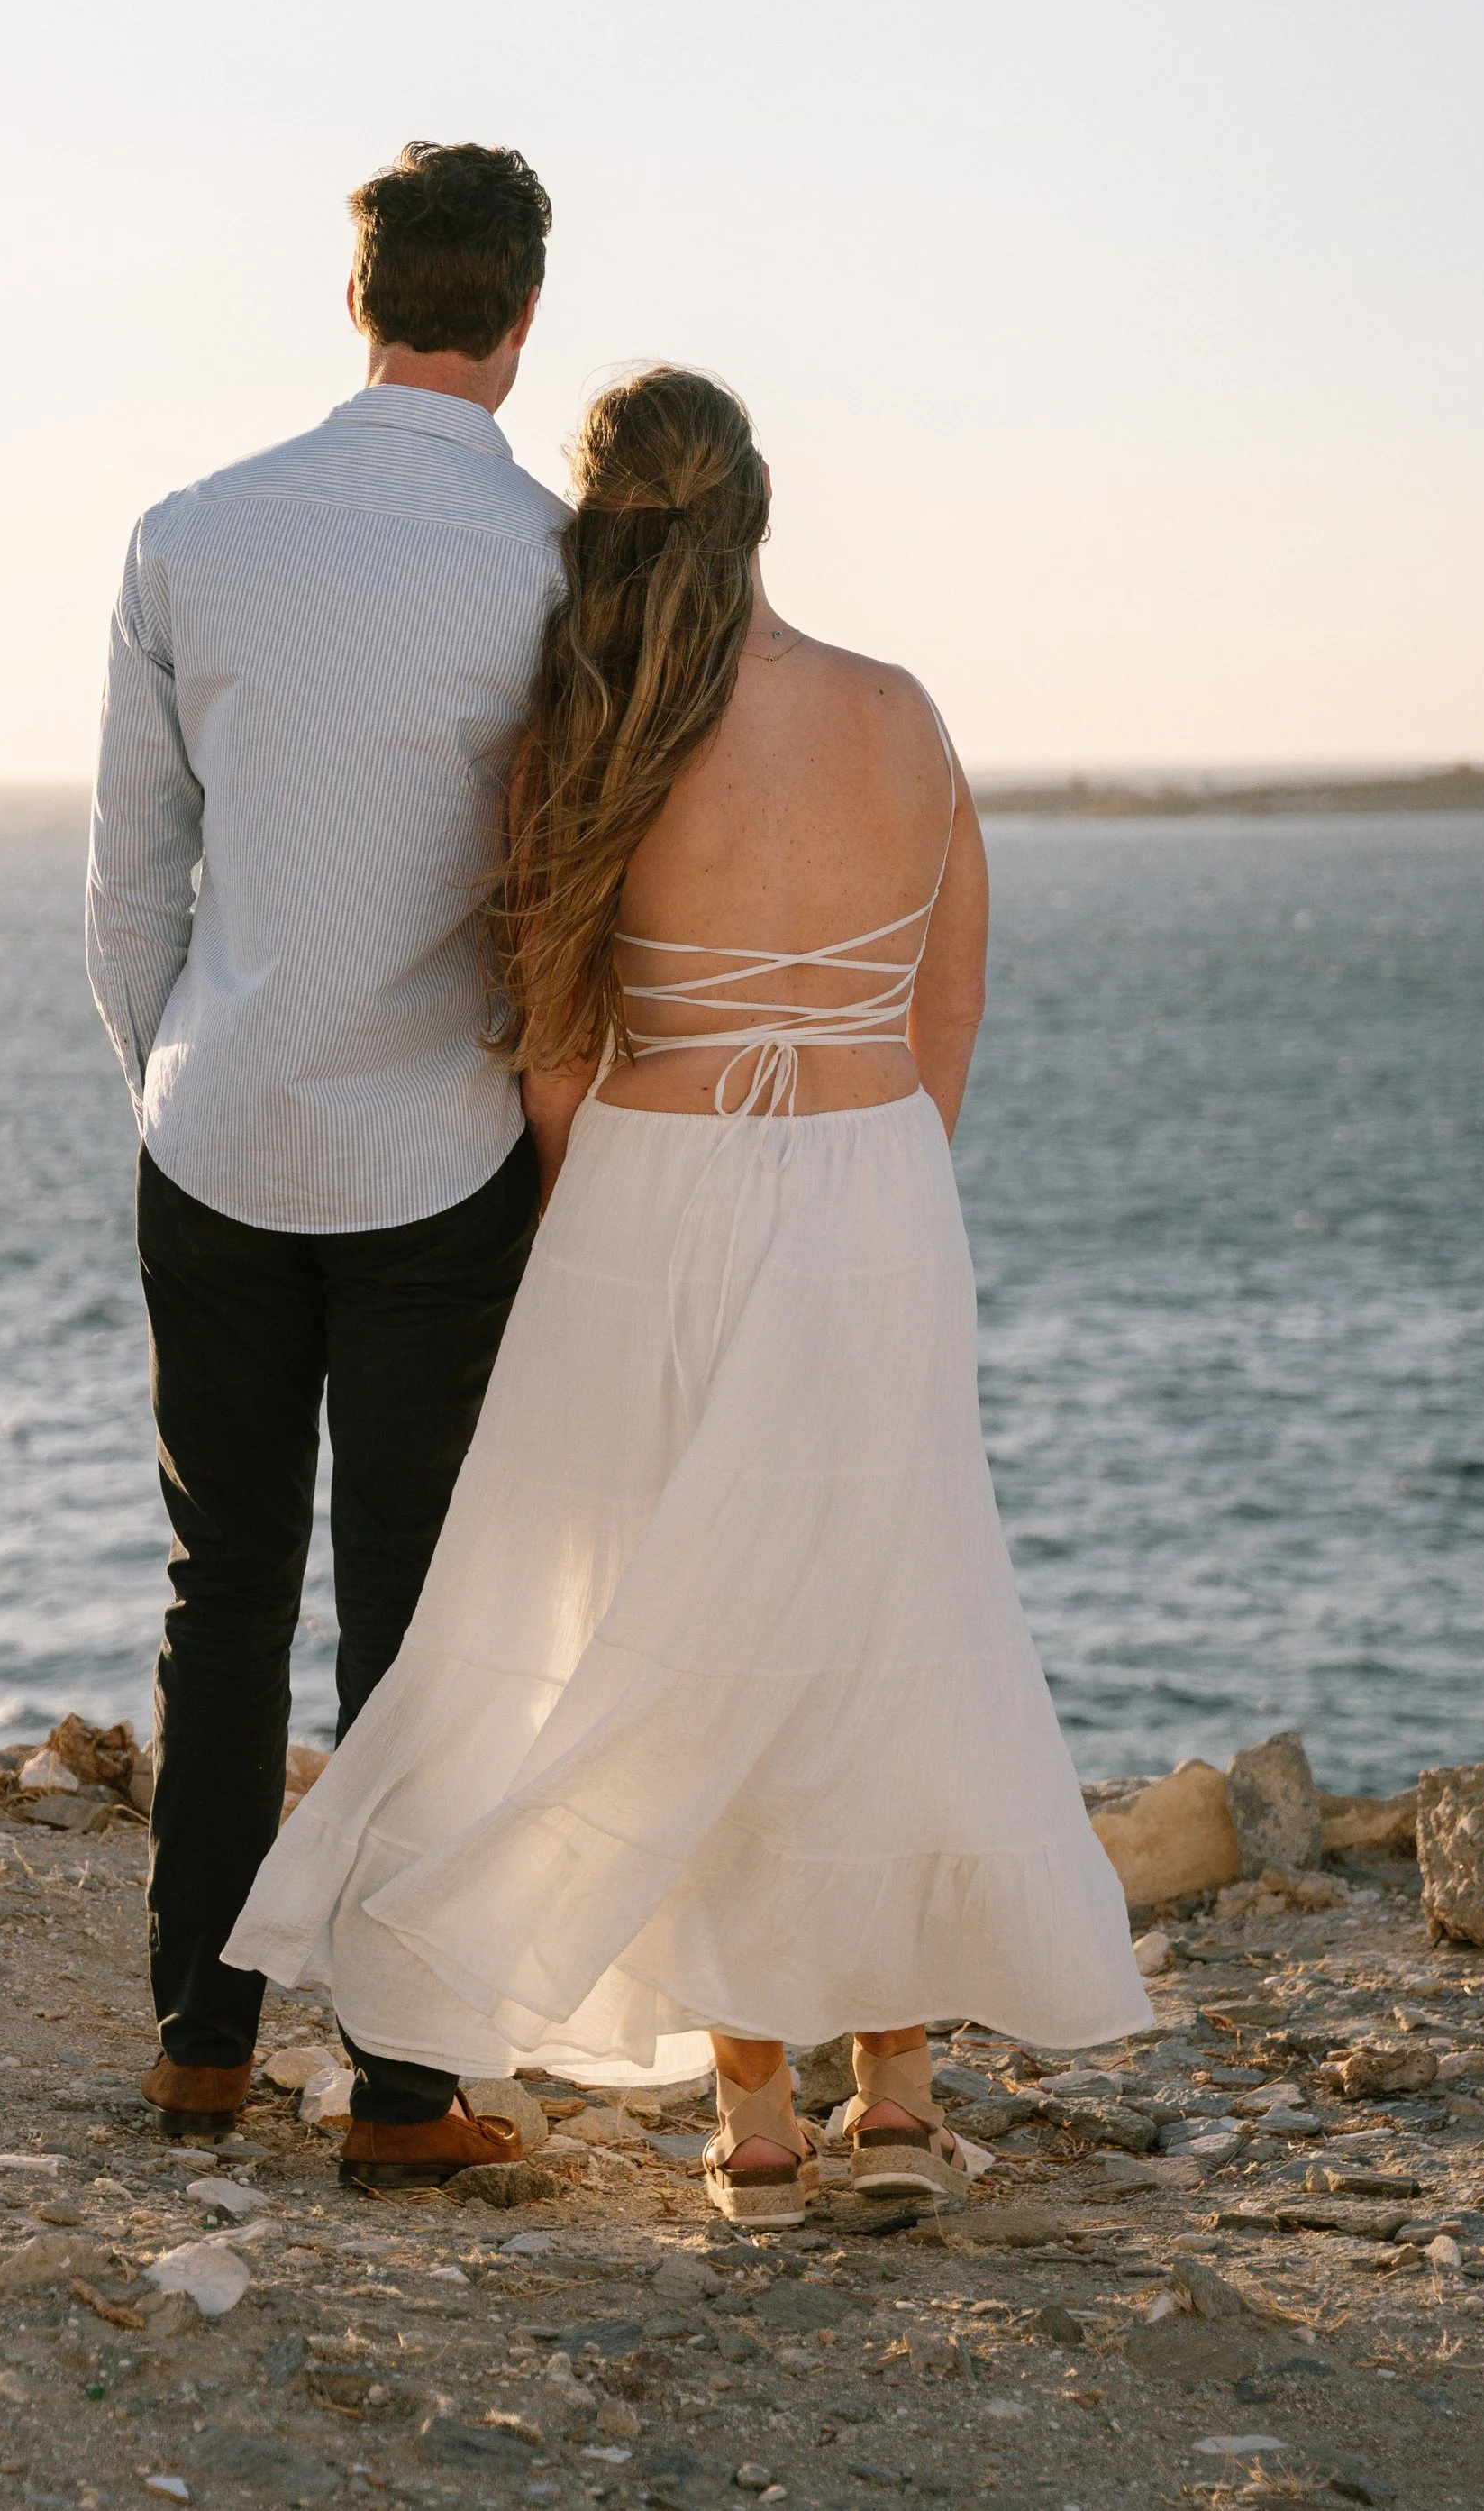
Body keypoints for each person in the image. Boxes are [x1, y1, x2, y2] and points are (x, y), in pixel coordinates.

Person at [229, 365, 1152, 2215]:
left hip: (657, 1192)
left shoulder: (588, 734)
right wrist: (884, 1178)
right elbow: (944, 993)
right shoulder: (896, 711)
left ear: (601, 529)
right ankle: (892, 2088)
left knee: (681, 1628)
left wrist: (593, 1232)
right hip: (879, 1178)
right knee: (877, 1609)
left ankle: (750, 2112)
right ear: (756, 510)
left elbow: (551, 1036)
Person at [86, 140, 570, 2187]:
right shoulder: (553, 559)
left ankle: (199, 2048)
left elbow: (134, 886)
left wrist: (177, 1085)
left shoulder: (190, 534)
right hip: (439, 1149)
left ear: (353, 298)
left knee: (224, 1599)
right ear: (524, 315)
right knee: (410, 1618)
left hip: (213, 1133)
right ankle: (395, 2086)